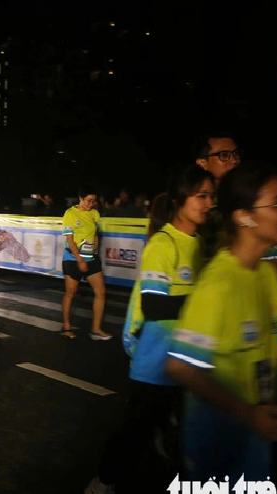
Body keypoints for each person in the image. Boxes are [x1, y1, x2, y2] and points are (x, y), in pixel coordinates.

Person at [85, 165, 215, 494]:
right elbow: (155, 307)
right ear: (179, 200)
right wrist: (207, 298)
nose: (208, 203)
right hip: (155, 365)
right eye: (201, 196)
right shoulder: (164, 243)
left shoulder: (200, 244)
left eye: (211, 196)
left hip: (189, 363)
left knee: (191, 436)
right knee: (134, 432)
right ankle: (104, 481)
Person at [165, 164, 277, 483]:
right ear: (244, 216)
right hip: (216, 444)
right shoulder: (218, 285)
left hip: (256, 438)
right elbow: (180, 367)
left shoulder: (265, 275)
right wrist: (248, 414)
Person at [60, 185, 110, 340]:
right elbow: (69, 239)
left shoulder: (94, 213)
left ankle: (96, 329)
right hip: (73, 259)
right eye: (88, 200)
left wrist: (95, 251)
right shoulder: (70, 214)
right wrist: (80, 259)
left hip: (91, 258)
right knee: (71, 293)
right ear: (80, 198)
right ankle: (66, 326)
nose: (91, 204)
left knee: (101, 292)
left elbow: (95, 234)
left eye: (93, 201)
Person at [194, 132, 242, 259]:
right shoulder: (193, 204)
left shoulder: (245, 198)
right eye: (224, 155)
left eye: (236, 154)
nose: (234, 160)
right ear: (202, 163)